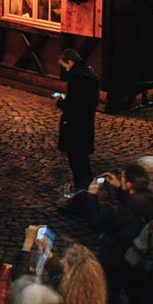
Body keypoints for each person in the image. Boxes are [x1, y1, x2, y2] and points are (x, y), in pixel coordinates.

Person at [56, 49, 100, 199]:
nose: (65, 70)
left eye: (64, 66)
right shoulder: (89, 73)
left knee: (77, 165)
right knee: (83, 162)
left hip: (75, 128)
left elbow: (72, 105)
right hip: (86, 126)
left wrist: (61, 102)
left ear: (70, 62)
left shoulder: (77, 78)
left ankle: (81, 199)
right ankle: (89, 193)